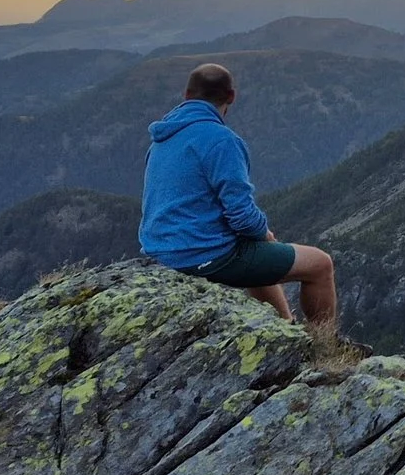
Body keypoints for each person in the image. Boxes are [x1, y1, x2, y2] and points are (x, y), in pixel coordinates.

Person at [139, 63, 338, 326]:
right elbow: (241, 216)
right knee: (320, 265)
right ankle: (323, 342)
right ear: (231, 97)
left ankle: (285, 328)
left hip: (161, 251)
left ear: (187, 95)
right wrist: (265, 234)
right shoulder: (222, 141)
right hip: (202, 255)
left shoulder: (163, 137)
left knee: (254, 249)